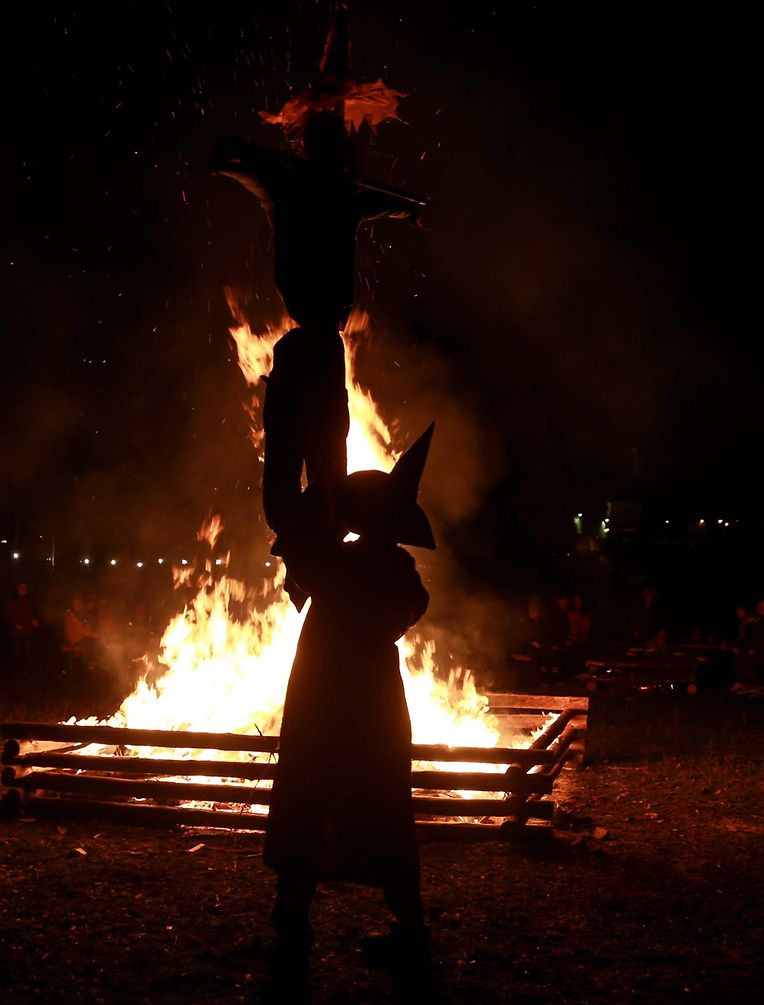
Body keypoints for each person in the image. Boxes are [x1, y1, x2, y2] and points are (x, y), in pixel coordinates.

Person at [263, 426, 435, 985]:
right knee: (382, 806)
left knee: (308, 801)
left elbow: (295, 555)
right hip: (372, 703)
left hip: (324, 699)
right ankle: (409, 931)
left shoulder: (334, 563)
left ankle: (292, 932)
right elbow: (406, 611)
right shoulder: (398, 570)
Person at [4, 581, 40, 681]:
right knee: (16, 653)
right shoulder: (12, 601)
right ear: (17, 588)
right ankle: (16, 672)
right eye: (21, 588)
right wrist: (15, 624)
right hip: (16, 631)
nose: (23, 590)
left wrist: (33, 620)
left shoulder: (28, 600)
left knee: (27, 652)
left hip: (27, 630)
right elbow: (7, 615)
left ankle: (27, 671)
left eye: (25, 588)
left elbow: (30, 613)